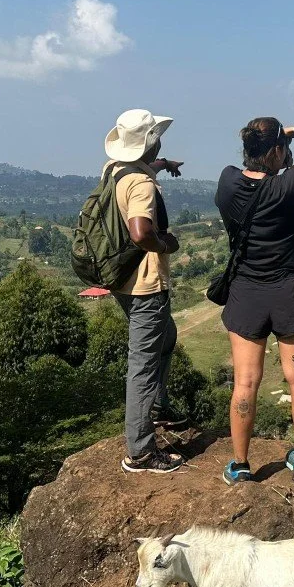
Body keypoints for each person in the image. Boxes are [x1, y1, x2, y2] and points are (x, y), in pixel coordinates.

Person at [214, 119, 294, 484]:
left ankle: (241, 465)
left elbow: (251, 170)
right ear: (275, 151)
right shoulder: (290, 185)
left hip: (246, 294)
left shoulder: (227, 181)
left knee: (245, 383)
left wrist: (278, 141)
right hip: (289, 292)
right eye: (283, 148)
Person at [104, 108, 189, 474]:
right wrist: (166, 244)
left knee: (166, 337)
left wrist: (163, 163)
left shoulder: (115, 171)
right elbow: (141, 232)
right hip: (145, 285)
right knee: (143, 364)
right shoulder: (140, 184)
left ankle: (158, 405)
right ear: (150, 141)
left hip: (122, 279)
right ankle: (139, 451)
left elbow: (138, 169)